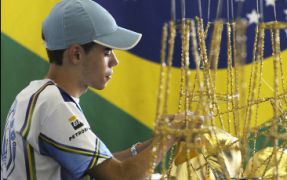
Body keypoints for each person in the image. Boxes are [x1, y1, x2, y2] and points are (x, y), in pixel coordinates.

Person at [1, 0, 191, 179]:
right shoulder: (54, 105)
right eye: (107, 52)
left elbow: (98, 165)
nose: (115, 61)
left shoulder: (37, 94)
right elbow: (121, 176)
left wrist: (154, 142)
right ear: (76, 54)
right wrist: (169, 136)